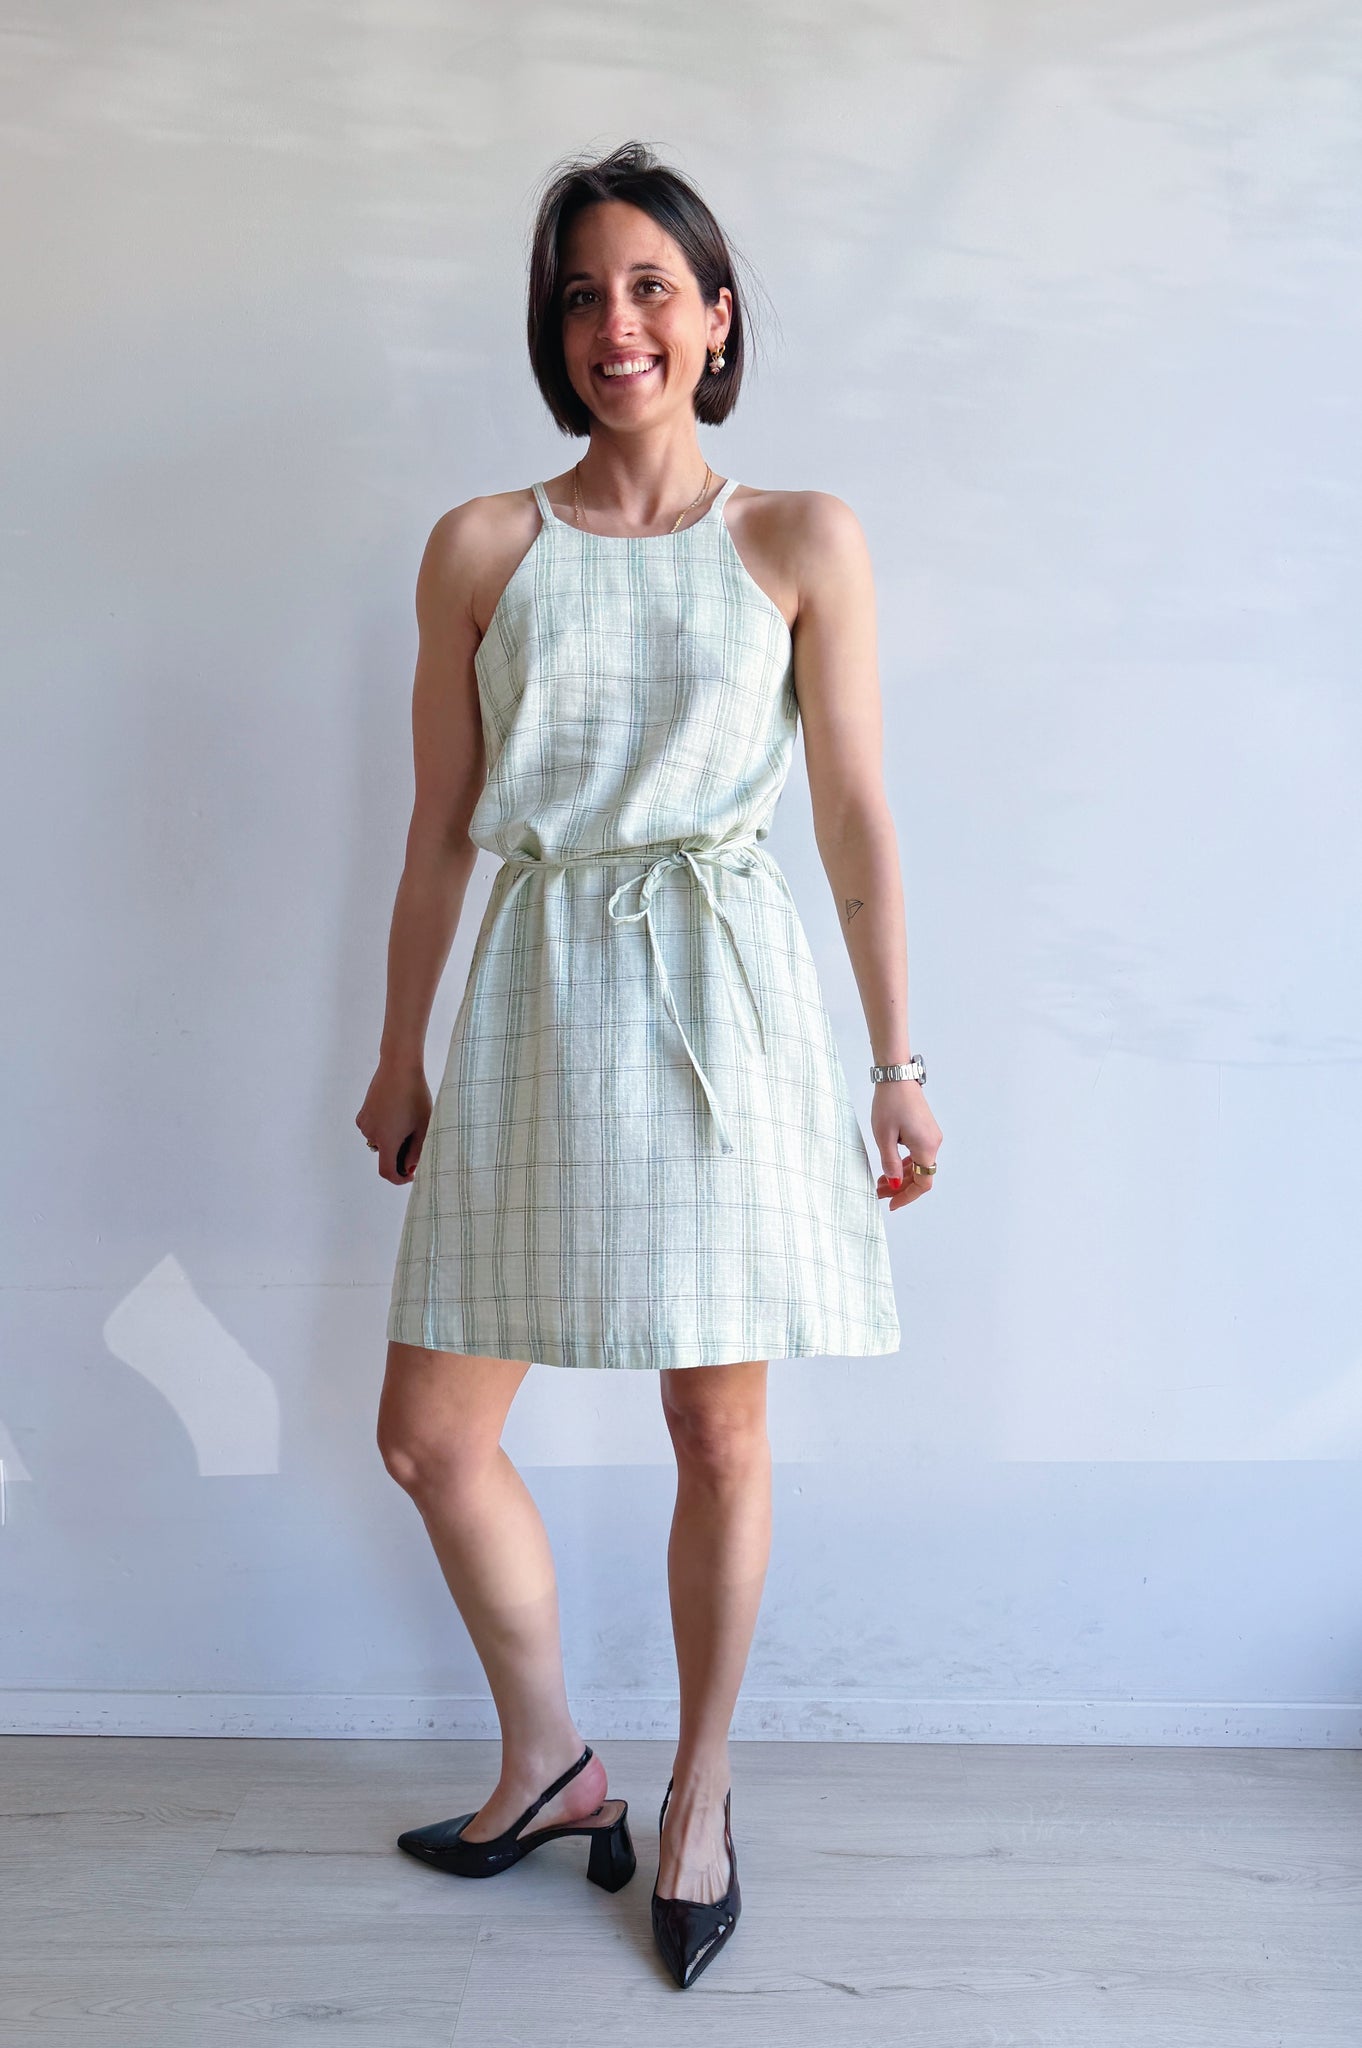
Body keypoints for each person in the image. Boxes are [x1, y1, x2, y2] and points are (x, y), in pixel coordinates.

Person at [355, 139, 943, 1990]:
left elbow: (853, 815)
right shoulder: (481, 545)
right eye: (580, 296)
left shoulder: (800, 537)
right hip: (536, 992)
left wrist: (897, 1061)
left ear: (715, 319)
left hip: (722, 1000)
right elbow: (437, 831)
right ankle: (549, 1763)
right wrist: (396, 1050)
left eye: (648, 288)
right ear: (555, 333)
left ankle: (696, 1791)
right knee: (429, 1434)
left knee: (716, 1425)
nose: (615, 323)